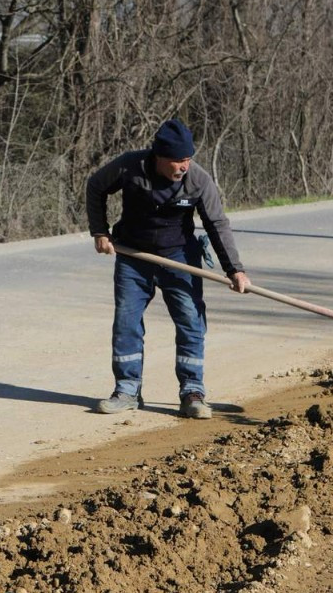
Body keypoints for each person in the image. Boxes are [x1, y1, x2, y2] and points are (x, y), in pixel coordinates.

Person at [86, 118, 250, 419]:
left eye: (186, 159)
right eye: (176, 161)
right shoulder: (130, 166)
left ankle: (193, 392)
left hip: (179, 258)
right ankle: (127, 390)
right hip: (133, 255)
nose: (182, 166)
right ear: (158, 157)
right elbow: (96, 185)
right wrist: (100, 231)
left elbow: (217, 224)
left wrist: (234, 270)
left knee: (190, 321)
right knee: (126, 322)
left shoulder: (198, 180)